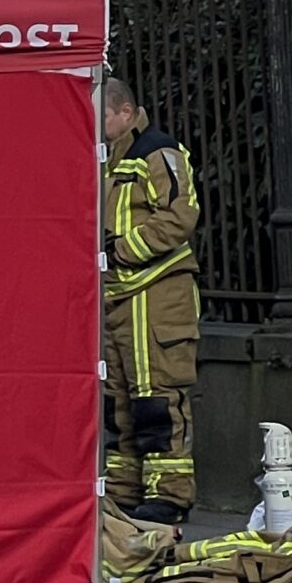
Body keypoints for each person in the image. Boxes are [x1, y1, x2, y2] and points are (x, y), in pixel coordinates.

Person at [100, 76, 202, 525]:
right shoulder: (106, 158)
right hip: (119, 293)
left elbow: (181, 215)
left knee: (157, 396)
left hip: (157, 290)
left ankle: (170, 495)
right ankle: (125, 490)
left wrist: (120, 250)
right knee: (119, 398)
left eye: (101, 116)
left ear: (125, 112)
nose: (95, 126)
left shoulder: (158, 152)